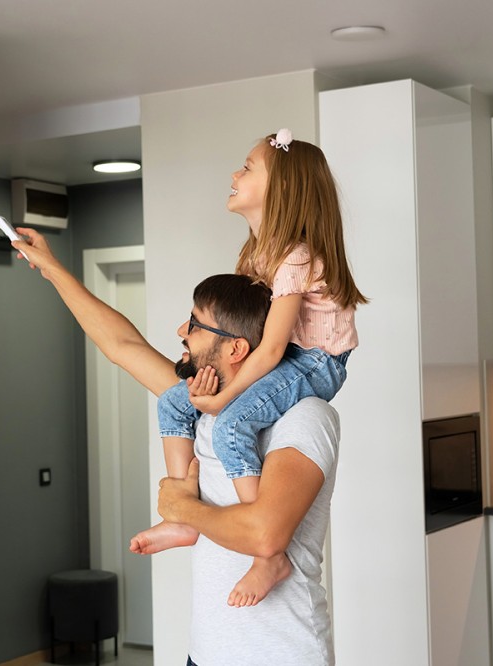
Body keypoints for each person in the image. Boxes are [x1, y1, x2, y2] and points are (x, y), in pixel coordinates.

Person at [10, 228, 340, 666]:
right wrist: (51, 267)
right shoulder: (205, 403)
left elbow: (264, 534)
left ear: (236, 349)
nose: (182, 331)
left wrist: (182, 509)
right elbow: (122, 345)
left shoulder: (305, 416)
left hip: (280, 655)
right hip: (205, 654)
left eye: (196, 324)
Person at [141, 128, 367, 607]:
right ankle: (183, 513)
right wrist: (198, 343)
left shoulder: (295, 258)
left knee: (231, 424)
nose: (234, 173)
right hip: (283, 355)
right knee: (173, 404)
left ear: (280, 187)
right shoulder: (255, 254)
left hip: (315, 361)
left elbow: (269, 350)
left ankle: (270, 555)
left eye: (247, 167)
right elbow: (243, 330)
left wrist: (223, 399)